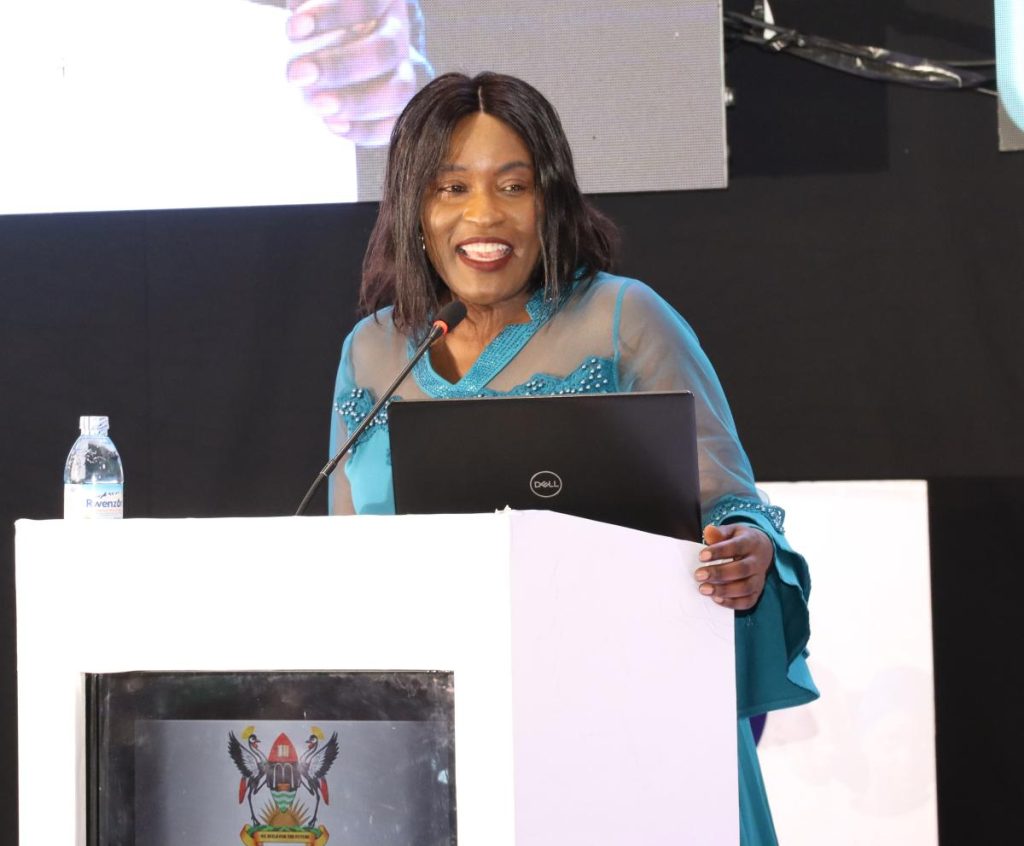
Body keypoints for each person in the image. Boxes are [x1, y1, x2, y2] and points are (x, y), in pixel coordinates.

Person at [328, 71, 818, 845]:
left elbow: (732, 506)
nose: (483, 214)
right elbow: (344, 566)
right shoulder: (373, 352)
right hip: (443, 751)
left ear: (549, 202)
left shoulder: (624, 318)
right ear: (415, 209)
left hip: (627, 739)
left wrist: (746, 554)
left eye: (512, 185)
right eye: (452, 187)